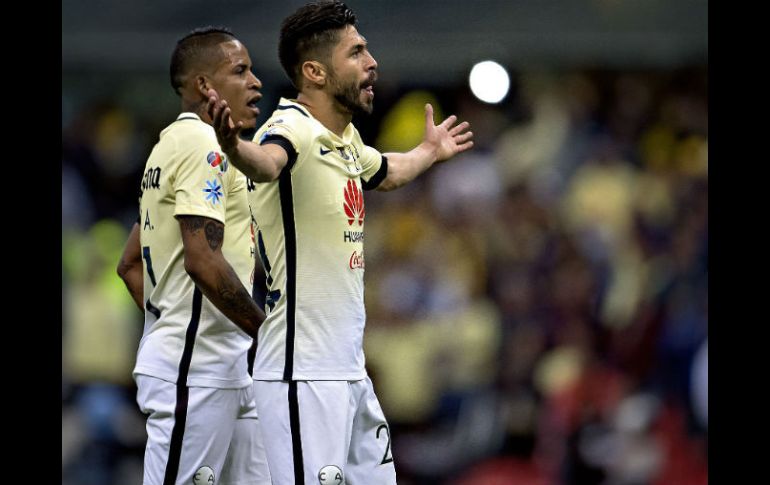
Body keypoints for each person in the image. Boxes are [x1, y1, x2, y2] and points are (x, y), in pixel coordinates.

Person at [206, 2, 474, 483]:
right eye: (356, 53)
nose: (372, 63)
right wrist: (232, 145)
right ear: (315, 72)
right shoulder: (291, 130)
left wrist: (428, 151)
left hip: (349, 370)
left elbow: (387, 171)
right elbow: (266, 162)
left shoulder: (343, 141)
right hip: (302, 373)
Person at [116, 26, 271, 485]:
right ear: (205, 85)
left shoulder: (167, 147)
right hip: (197, 369)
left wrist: (170, 321)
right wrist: (269, 334)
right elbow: (202, 259)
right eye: (240, 71)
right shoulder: (203, 143)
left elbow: (129, 265)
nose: (256, 82)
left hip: (223, 364)